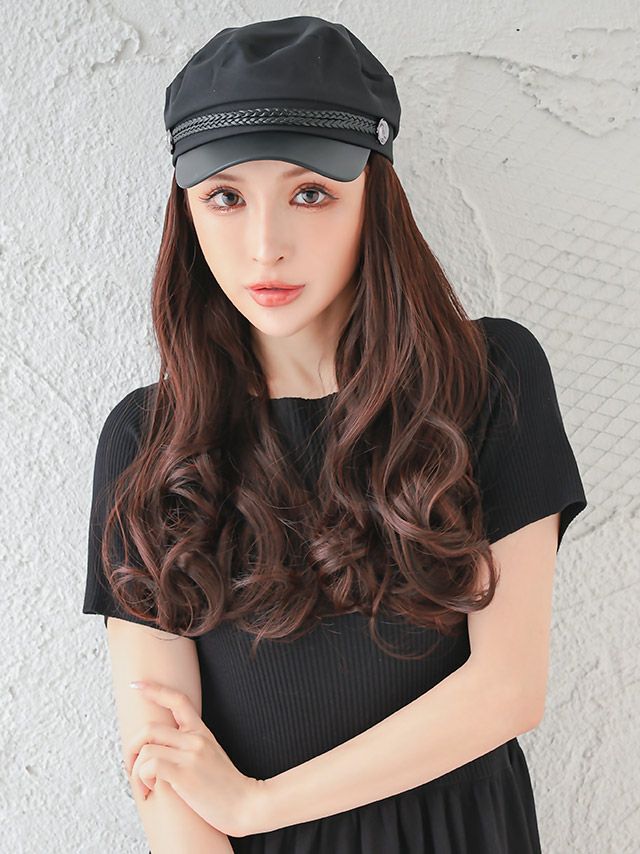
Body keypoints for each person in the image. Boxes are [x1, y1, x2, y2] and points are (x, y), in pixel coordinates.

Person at [82, 15, 588, 853]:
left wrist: (257, 805)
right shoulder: (148, 441)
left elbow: (507, 690)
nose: (266, 247)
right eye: (224, 197)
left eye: (311, 192)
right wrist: (237, 817)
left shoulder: (490, 377)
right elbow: (162, 767)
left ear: (373, 199)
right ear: (187, 211)